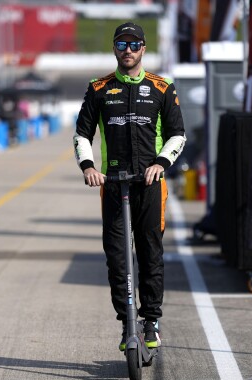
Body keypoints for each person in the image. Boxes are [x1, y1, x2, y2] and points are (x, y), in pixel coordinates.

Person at [73, 22, 186, 351]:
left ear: (143, 49)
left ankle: (150, 320)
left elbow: (178, 134)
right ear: (114, 49)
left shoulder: (163, 87)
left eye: (133, 44)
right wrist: (88, 166)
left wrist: (160, 164)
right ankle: (128, 323)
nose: (127, 50)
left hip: (151, 185)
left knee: (151, 254)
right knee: (117, 257)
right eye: (121, 44)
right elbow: (82, 134)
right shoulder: (98, 88)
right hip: (113, 185)